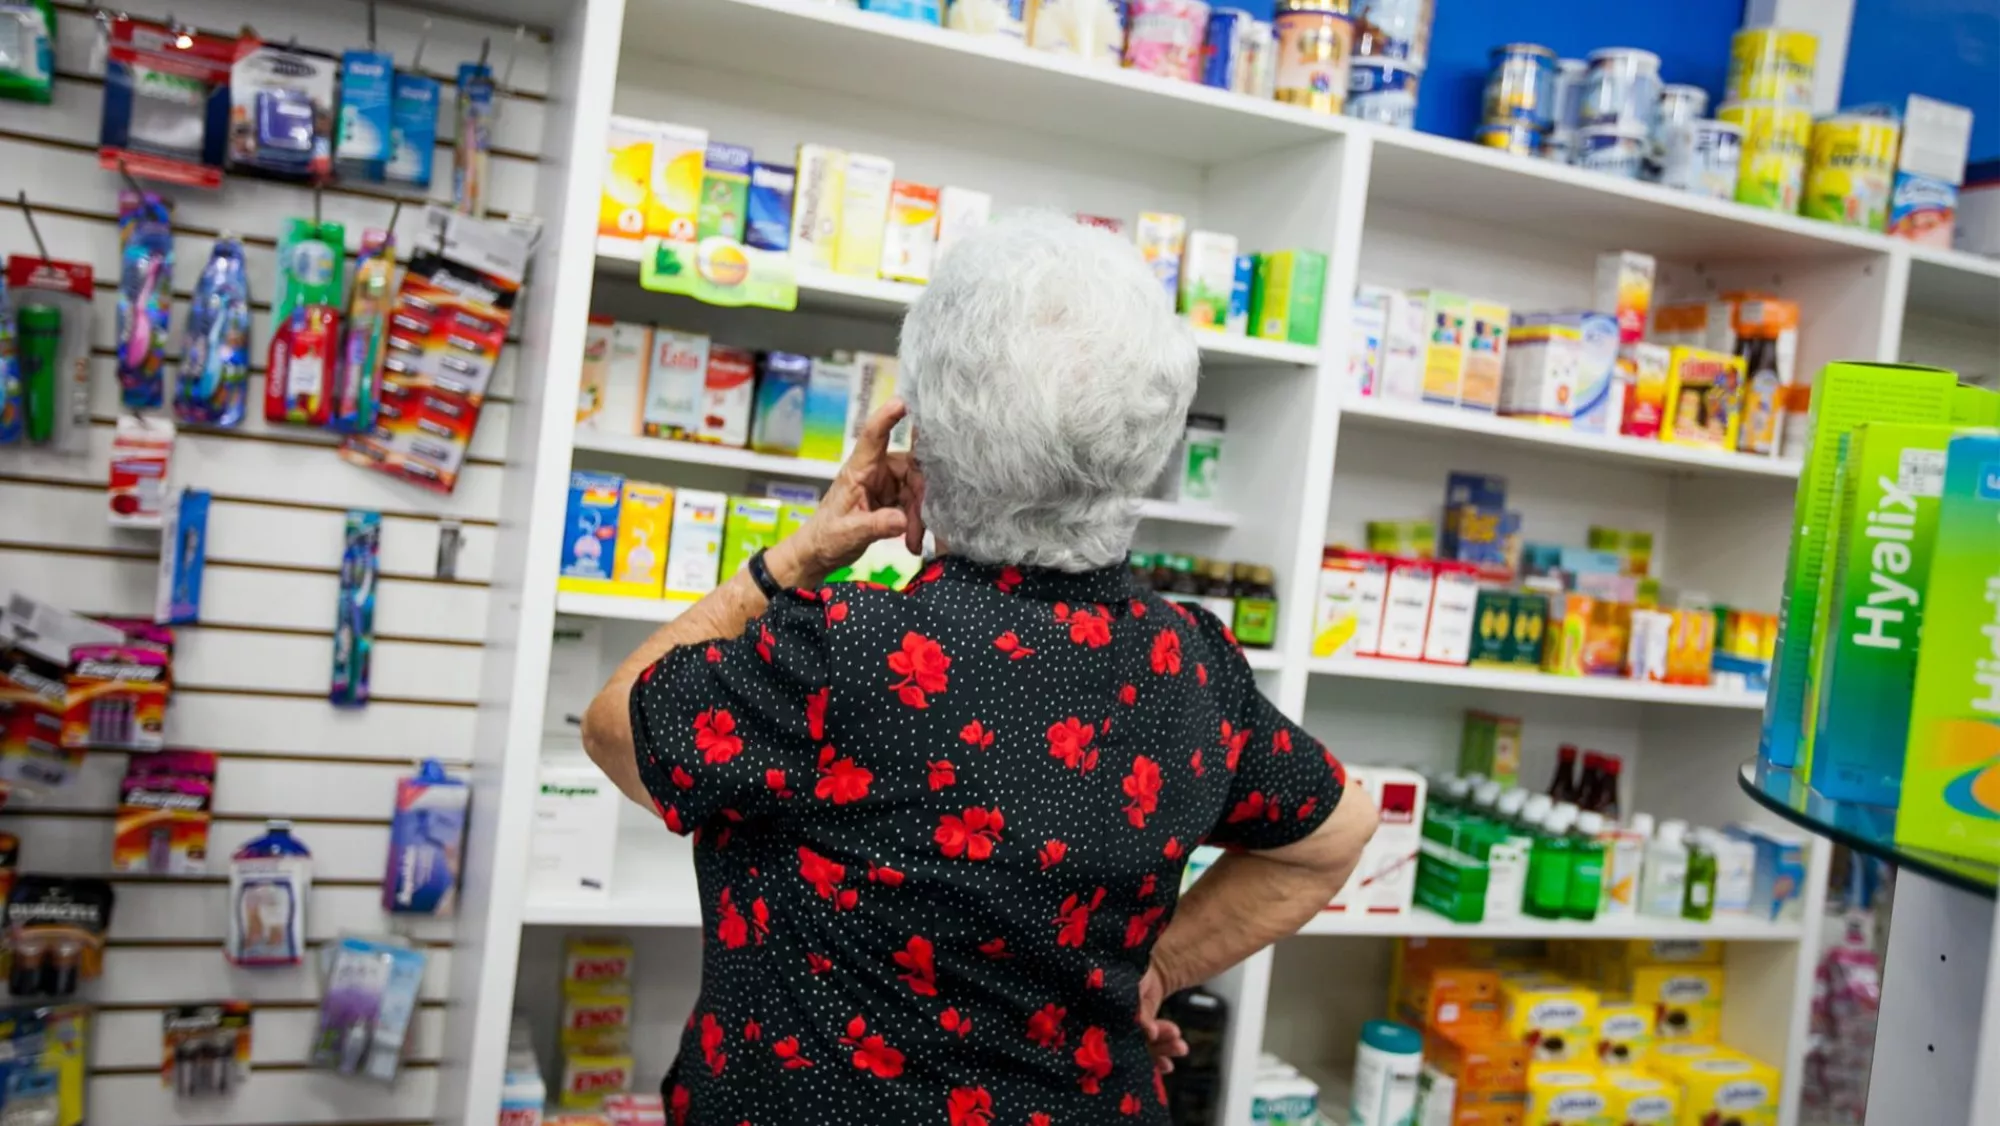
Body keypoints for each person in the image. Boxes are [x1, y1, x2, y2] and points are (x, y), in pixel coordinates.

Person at [580, 211, 1378, 1125]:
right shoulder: (1193, 664)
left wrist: (789, 559)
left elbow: (615, 728)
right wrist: (1155, 971)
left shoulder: (843, 653)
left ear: (921, 450)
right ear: (1148, 446)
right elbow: (1337, 832)